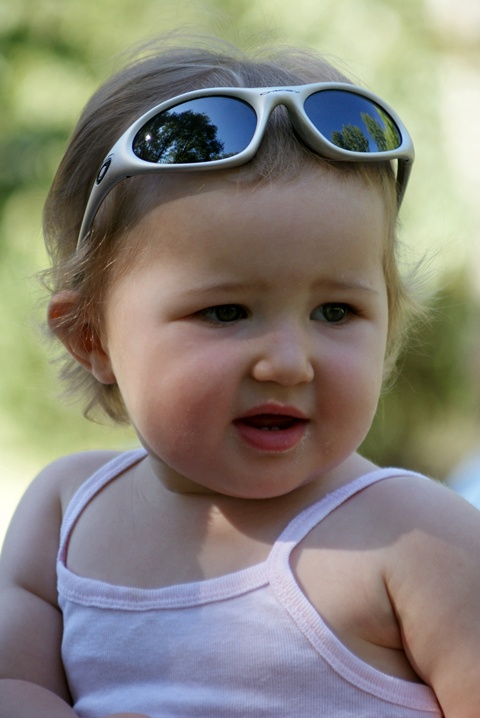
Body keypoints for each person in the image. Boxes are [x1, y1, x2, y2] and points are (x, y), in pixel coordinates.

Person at [0, 34, 479, 718]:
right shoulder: (63, 515)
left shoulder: (418, 537)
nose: (287, 362)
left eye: (335, 311)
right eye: (226, 312)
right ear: (91, 338)